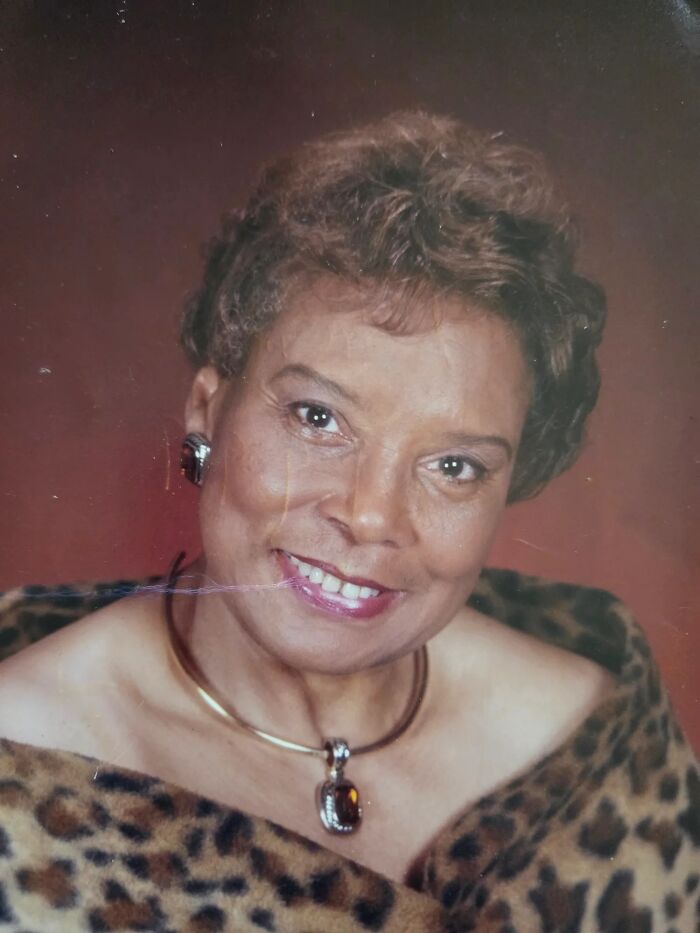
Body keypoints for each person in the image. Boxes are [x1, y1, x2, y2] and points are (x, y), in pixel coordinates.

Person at [0, 112, 696, 932]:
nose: (370, 514)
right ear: (207, 411)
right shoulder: (25, 763)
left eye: (453, 466)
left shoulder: (589, 748)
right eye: (318, 418)